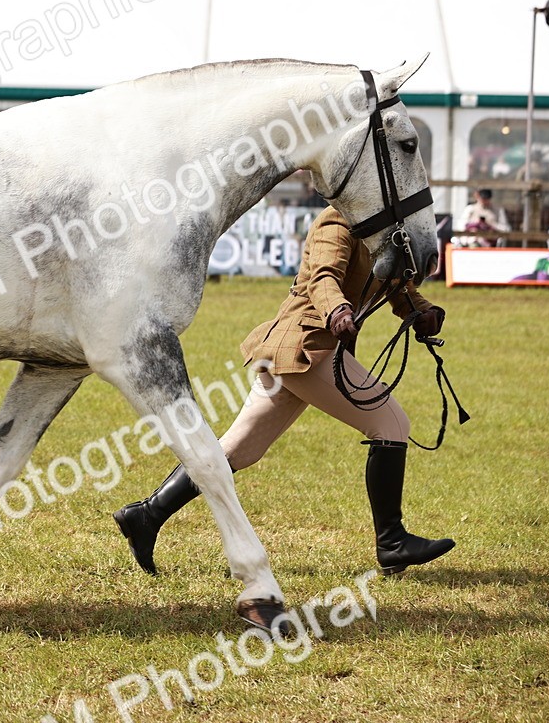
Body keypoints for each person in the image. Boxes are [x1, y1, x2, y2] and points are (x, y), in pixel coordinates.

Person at [113, 207, 453, 578]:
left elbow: (396, 282)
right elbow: (322, 278)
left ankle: (146, 515)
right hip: (306, 346)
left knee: (238, 450)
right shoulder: (337, 220)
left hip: (303, 352)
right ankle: (392, 543)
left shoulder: (380, 229)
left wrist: (419, 310)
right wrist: (337, 309)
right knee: (391, 423)